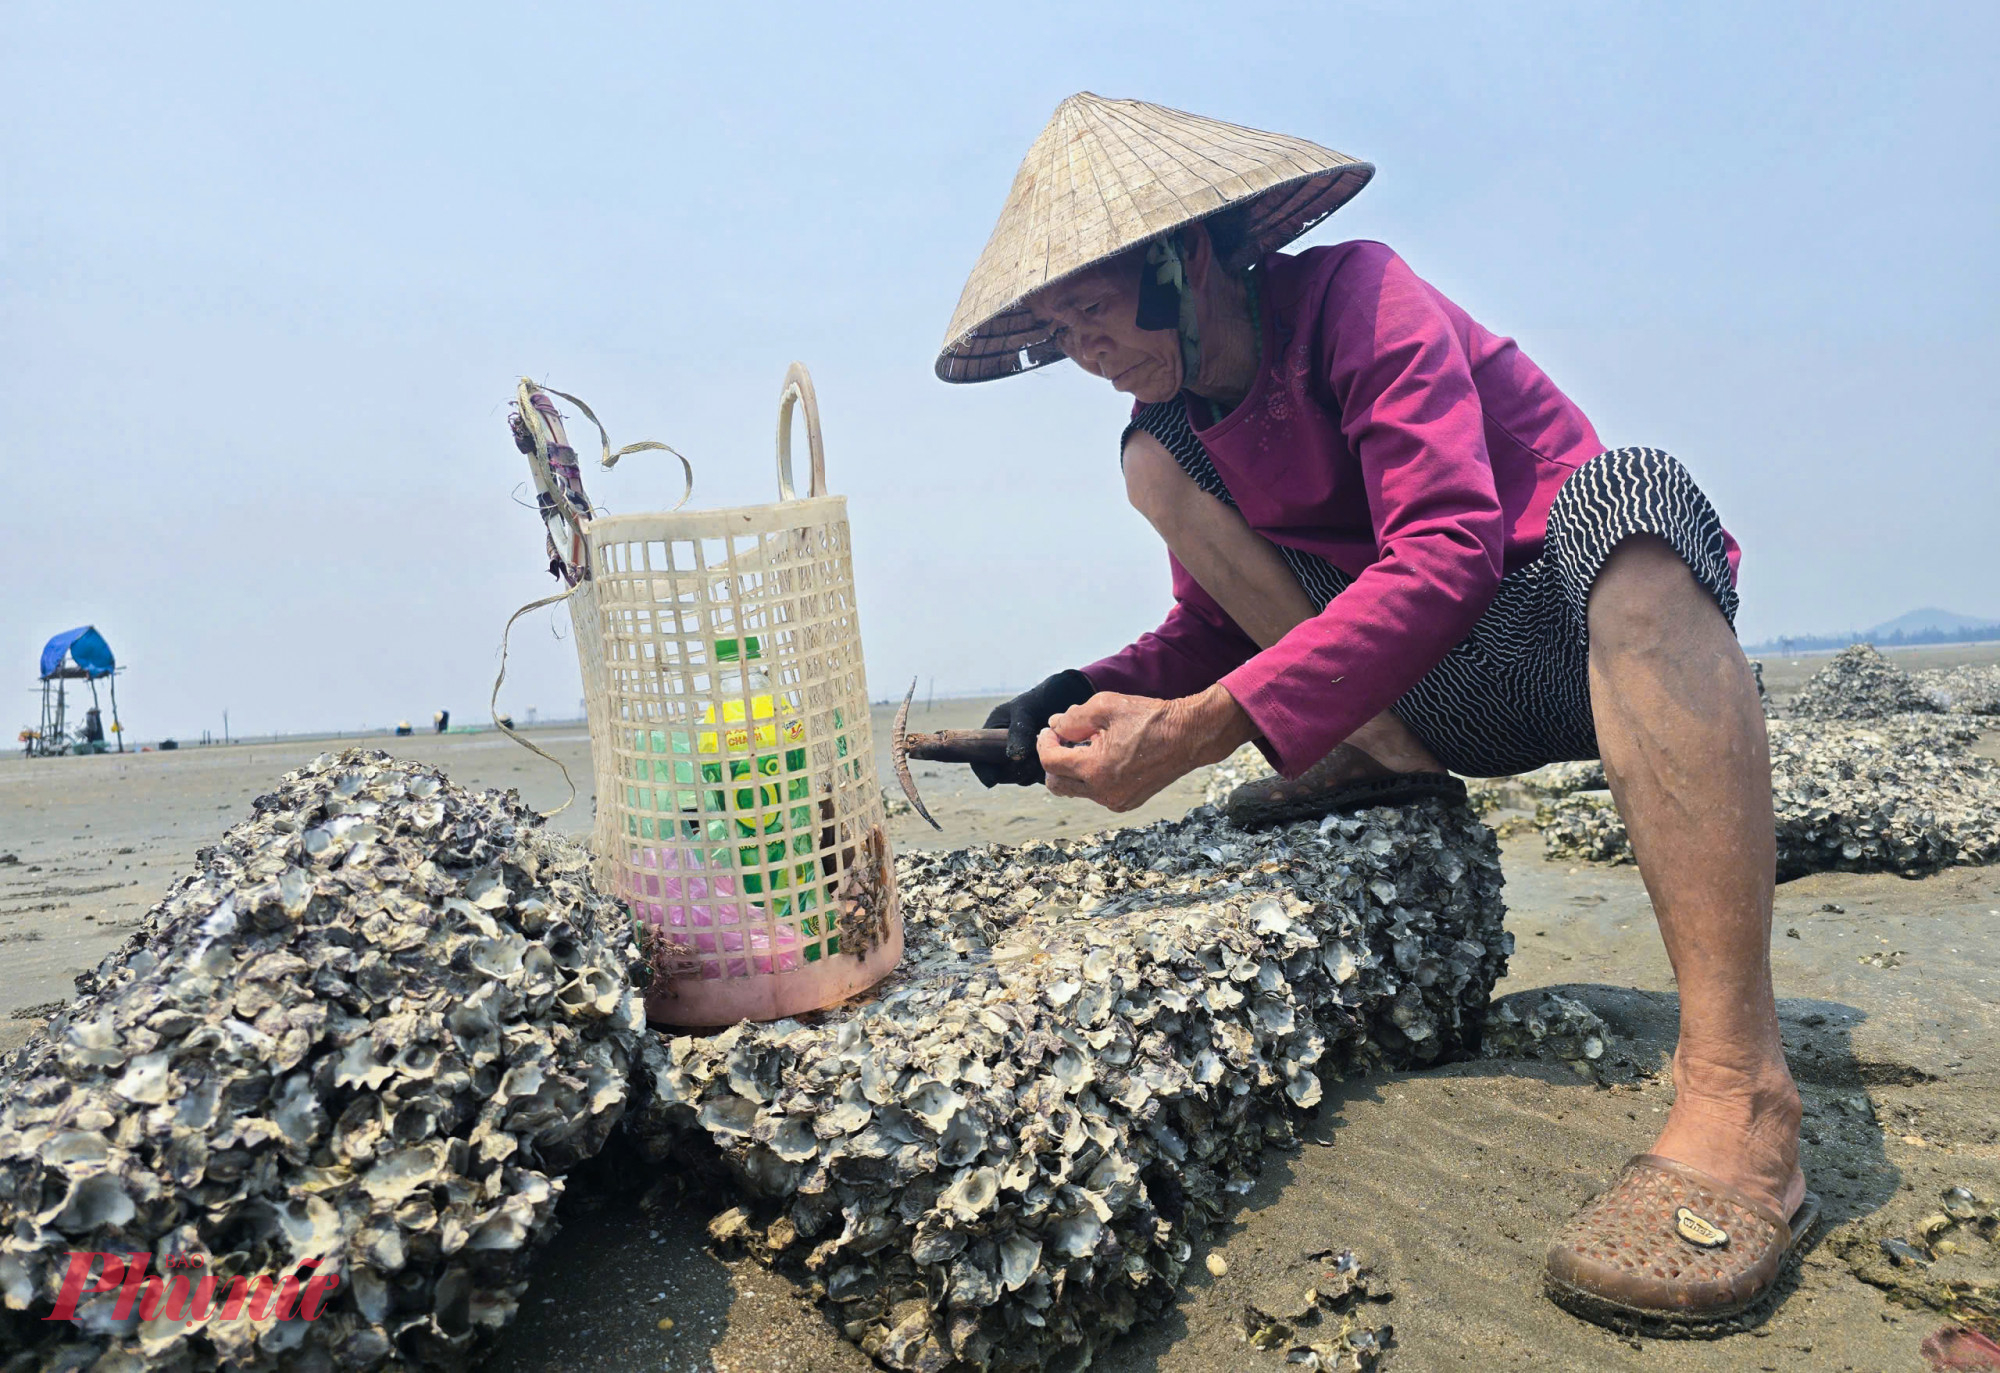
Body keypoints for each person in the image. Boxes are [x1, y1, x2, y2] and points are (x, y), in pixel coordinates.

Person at [936, 93, 1810, 1337]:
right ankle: (1370, 759)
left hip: (1565, 635)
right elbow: (1217, 623)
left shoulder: (1358, 301)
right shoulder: (1175, 431)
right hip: (1404, 691)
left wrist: (1199, 730)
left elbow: (1448, 548)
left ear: (1189, 262)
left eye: (1098, 310)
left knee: (1635, 489)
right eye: (1059, 330)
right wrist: (1066, 697)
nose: (1086, 350)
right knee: (1147, 458)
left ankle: (1740, 1090)